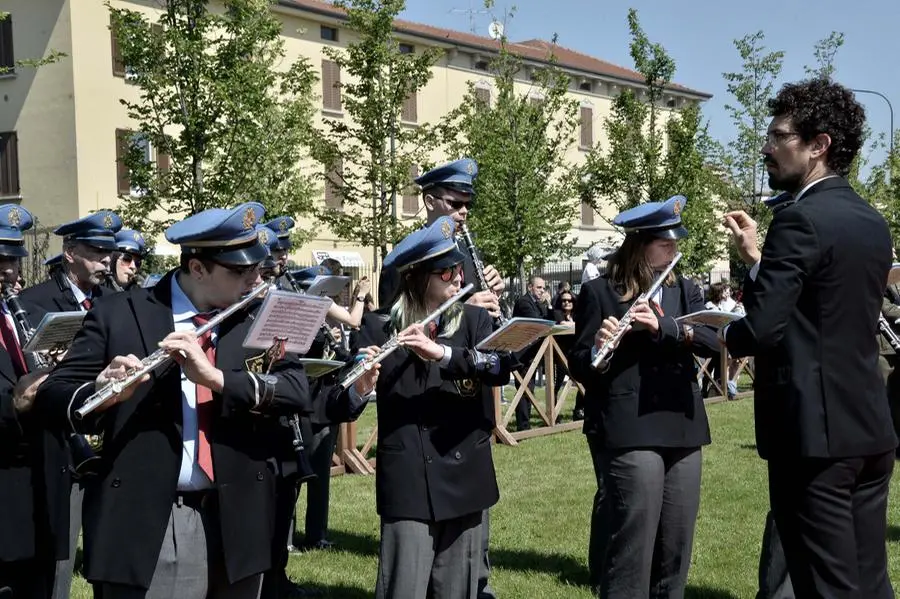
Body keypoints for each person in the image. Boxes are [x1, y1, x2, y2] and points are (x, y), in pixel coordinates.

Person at [36, 202, 375, 599]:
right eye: (240, 271)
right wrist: (102, 388)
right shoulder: (120, 313)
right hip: (152, 519)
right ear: (197, 268)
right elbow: (53, 396)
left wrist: (216, 379)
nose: (254, 279)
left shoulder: (256, 316)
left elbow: (296, 390)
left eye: (256, 268)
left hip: (241, 516)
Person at [721, 78, 895, 598]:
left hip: (815, 437)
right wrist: (758, 265)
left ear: (818, 146)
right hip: (868, 427)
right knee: (870, 580)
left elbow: (764, 327)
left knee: (825, 585)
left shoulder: (799, 219)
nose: (766, 147)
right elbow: (815, 311)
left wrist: (723, 332)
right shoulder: (871, 220)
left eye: (779, 136)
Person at [569, 194, 719, 598]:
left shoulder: (686, 291)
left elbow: (712, 339)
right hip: (629, 425)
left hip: (682, 425)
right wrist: (601, 349)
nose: (674, 249)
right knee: (633, 541)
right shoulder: (600, 292)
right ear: (639, 244)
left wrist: (665, 327)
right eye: (664, 243)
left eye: (675, 242)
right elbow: (579, 363)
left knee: (676, 544)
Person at [357, 216, 515, 599]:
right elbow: (336, 402)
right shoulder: (379, 329)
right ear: (418, 278)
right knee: (403, 590)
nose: (458, 277)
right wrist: (360, 387)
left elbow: (501, 367)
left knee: (457, 590)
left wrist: (442, 354)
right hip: (408, 480)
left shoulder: (475, 320)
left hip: (465, 479)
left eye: (459, 268)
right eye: (447, 272)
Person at [16, 210, 123, 599]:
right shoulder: (33, 302)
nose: (106, 260)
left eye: (109, 252)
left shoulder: (117, 301)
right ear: (70, 251)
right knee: (58, 553)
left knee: (111, 547)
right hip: (60, 442)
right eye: (97, 252)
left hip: (111, 438)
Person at [0, 204, 70, 599]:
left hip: (37, 491)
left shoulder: (21, 313)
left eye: (13, 257)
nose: (8, 269)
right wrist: (13, 404)